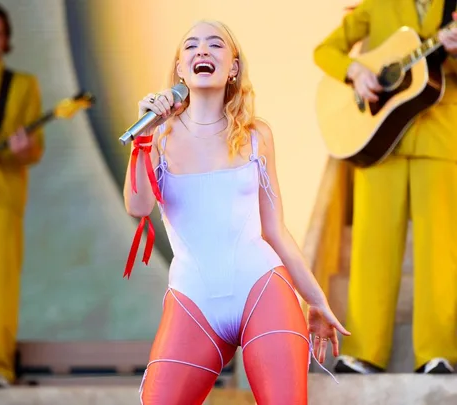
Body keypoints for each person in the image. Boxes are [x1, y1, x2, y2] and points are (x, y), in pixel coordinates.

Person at [123, 19, 349, 404]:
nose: (202, 51)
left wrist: (316, 299)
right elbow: (138, 206)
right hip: (192, 298)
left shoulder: (257, 134)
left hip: (262, 288)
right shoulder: (157, 136)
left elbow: (275, 230)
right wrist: (142, 139)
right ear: (180, 68)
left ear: (234, 68)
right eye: (191, 46)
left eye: (215, 45)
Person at [313, 0, 457, 374]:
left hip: (441, 139)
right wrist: (354, 70)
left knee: (440, 253)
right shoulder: (377, 5)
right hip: (380, 141)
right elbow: (325, 51)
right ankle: (363, 352)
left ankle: (437, 353)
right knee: (370, 250)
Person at [0, 2, 44, 387]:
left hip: (0, 197)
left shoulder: (23, 86)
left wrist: (23, 150)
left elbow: (36, 148)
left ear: (7, 40)